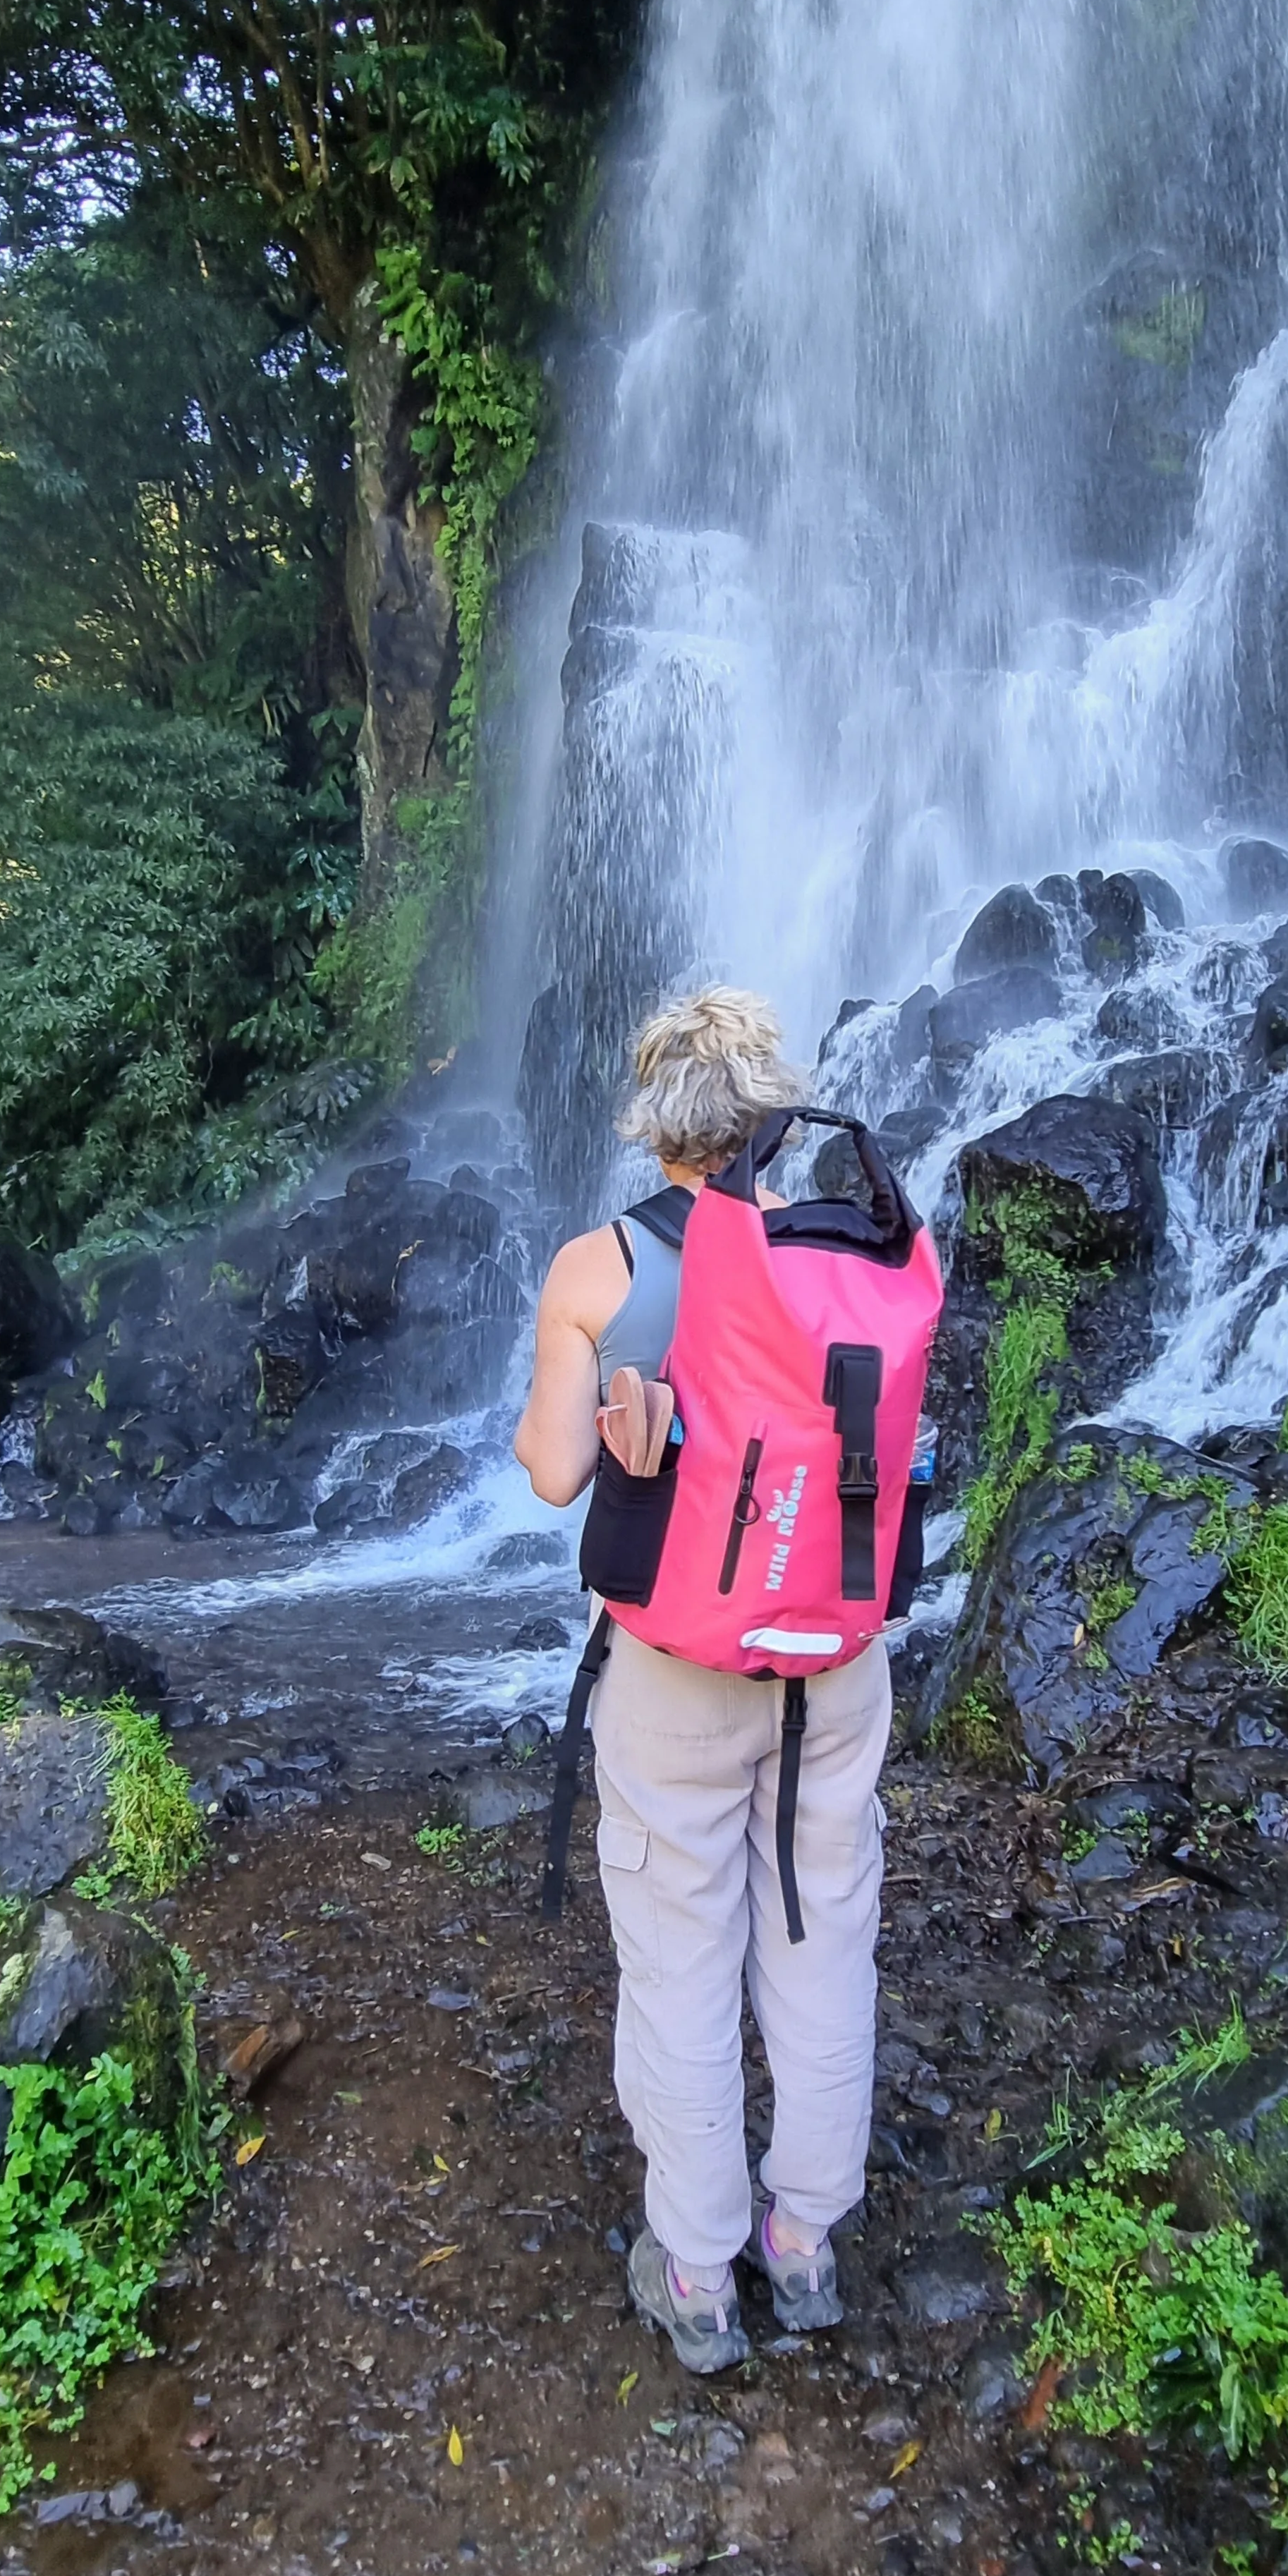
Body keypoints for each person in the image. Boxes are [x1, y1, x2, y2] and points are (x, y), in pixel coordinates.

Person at [514, 987, 897, 2374]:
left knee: (682, 1952)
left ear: (657, 1120)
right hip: (836, 1666)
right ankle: (804, 2243)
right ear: (770, 1117)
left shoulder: (599, 1268)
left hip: (676, 1669)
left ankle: (697, 2267)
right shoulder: (845, 1253)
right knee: (821, 1934)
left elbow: (554, 1471)